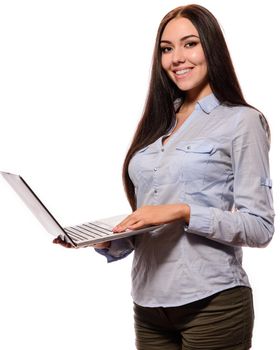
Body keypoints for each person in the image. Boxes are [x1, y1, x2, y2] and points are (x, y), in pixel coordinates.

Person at [54, 4, 274, 349]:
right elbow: (153, 214)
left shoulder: (242, 121)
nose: (176, 58)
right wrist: (113, 239)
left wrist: (182, 211)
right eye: (166, 49)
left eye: (190, 44)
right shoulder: (161, 120)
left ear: (212, 48)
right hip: (148, 304)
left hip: (212, 303)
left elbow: (260, 228)